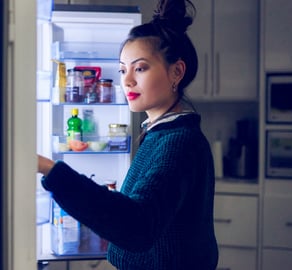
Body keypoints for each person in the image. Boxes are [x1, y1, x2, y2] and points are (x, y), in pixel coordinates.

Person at [37, 0, 219, 269]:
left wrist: (50, 169)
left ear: (176, 72)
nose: (127, 80)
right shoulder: (160, 134)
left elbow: (138, 227)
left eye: (140, 68)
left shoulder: (179, 142)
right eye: (123, 69)